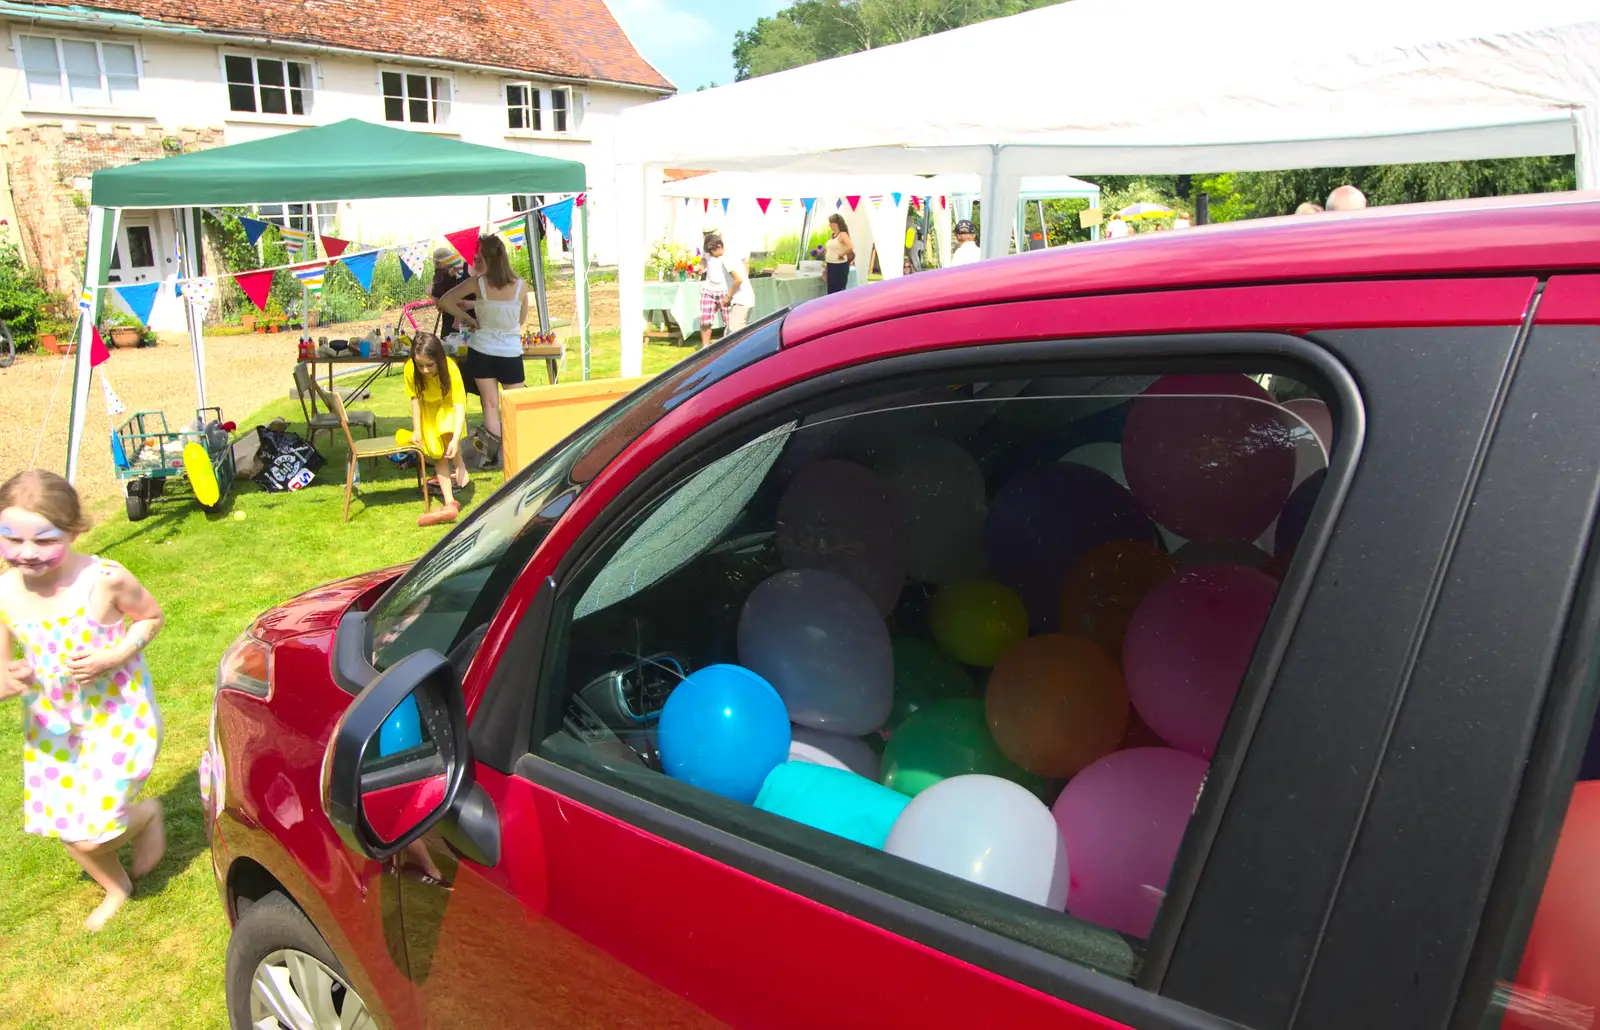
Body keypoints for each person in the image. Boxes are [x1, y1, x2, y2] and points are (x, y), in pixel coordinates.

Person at [0, 470, 166, 931]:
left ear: (74, 531)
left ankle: (146, 815)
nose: (25, 552)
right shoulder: (5, 592)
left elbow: (150, 618)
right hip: (53, 726)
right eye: (10, 538)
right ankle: (118, 887)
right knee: (65, 824)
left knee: (97, 828)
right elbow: (4, 665)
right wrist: (12, 677)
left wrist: (113, 654)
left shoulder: (104, 581)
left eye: (43, 539)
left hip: (117, 715)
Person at [438, 235, 527, 468]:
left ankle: (494, 456)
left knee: (489, 404)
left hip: (483, 349)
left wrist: (468, 318)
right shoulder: (521, 285)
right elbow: (521, 319)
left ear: (485, 258)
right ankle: (514, 452)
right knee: (513, 404)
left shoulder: (477, 283)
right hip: (510, 351)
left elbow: (445, 301)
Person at [401, 333, 469, 527]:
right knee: (437, 452)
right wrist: (416, 430)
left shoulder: (451, 368)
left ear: (438, 358)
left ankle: (459, 464)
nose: (425, 370)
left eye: (430, 365)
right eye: (420, 366)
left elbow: (459, 405)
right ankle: (450, 502)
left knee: (446, 430)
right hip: (428, 408)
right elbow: (414, 399)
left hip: (448, 404)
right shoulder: (409, 369)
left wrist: (456, 440)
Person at [698, 234, 753, 349]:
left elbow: (738, 280)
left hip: (742, 300)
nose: (711, 255)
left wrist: (728, 297)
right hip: (740, 299)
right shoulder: (730, 254)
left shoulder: (726, 258)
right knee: (728, 334)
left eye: (711, 251)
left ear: (718, 246)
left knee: (735, 336)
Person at [429, 247, 470, 338]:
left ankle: (456, 322)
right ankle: (456, 323)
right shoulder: (442, 273)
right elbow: (448, 273)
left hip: (451, 305)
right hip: (451, 305)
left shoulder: (440, 273)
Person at [823, 214, 855, 294]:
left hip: (839, 266)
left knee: (837, 290)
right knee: (830, 289)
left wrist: (841, 254)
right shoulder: (833, 236)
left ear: (836, 223)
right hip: (831, 265)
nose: (829, 225)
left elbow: (850, 246)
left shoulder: (843, 234)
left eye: (831, 223)